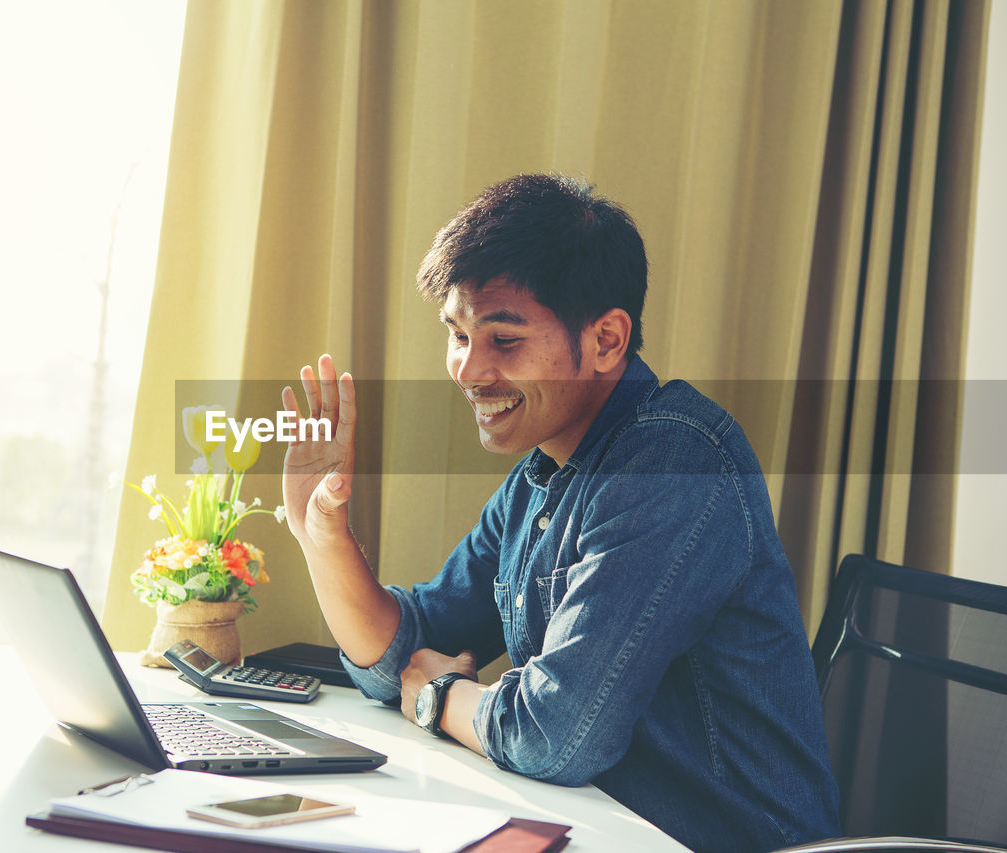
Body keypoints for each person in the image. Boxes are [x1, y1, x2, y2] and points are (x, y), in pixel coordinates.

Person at [279, 174, 840, 853]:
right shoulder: (540, 477)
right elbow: (402, 650)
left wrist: (439, 697)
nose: (467, 370)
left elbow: (555, 735)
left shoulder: (674, 463)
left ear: (606, 339)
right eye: (457, 335)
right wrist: (323, 534)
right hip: (596, 830)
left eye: (503, 341)